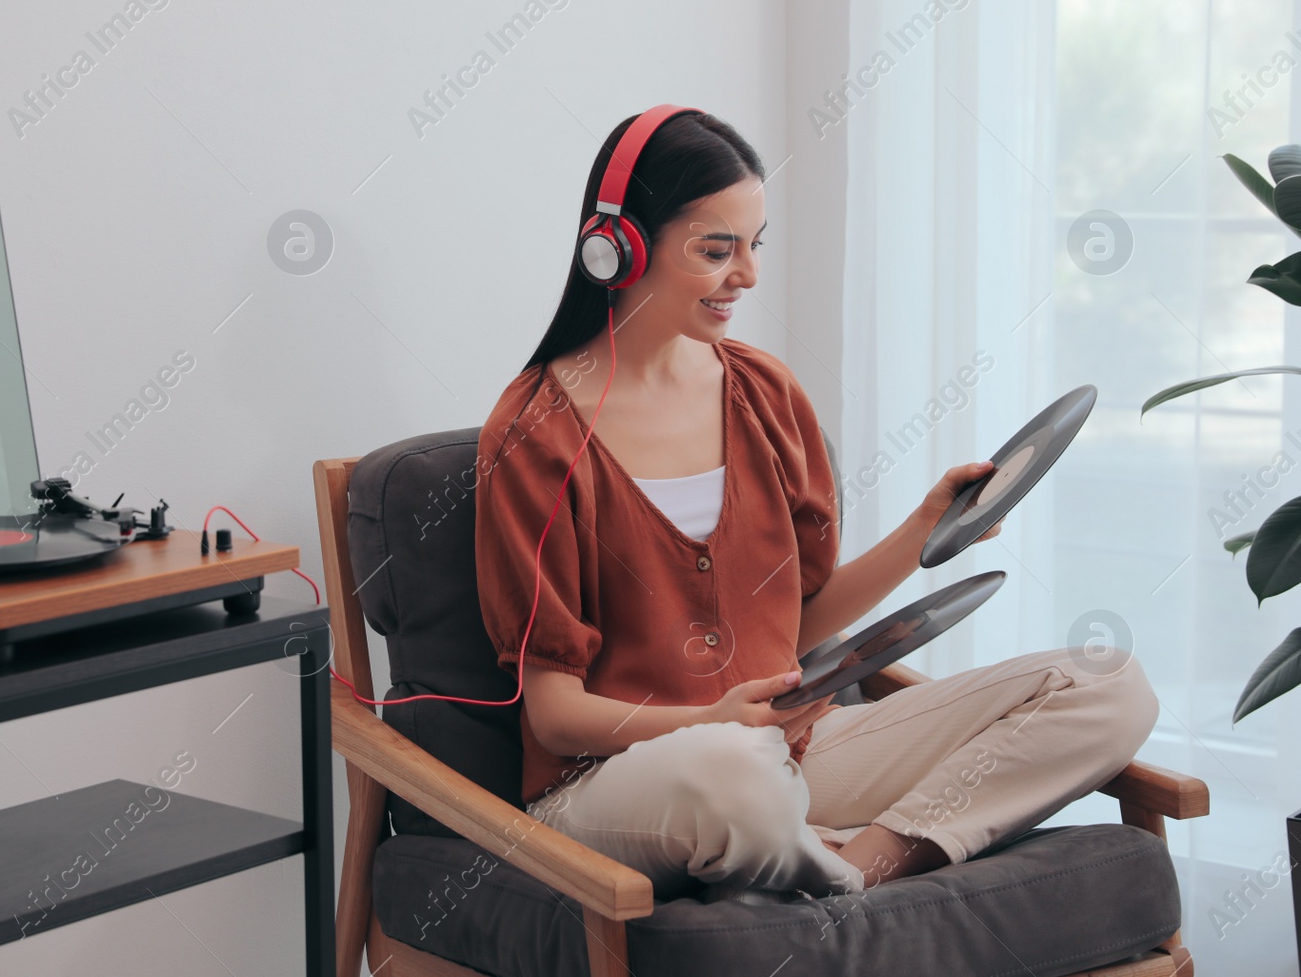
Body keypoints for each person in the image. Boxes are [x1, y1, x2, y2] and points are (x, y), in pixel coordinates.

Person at [471, 108, 1160, 903]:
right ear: (619, 246)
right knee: (729, 773)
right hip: (625, 780)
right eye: (714, 249)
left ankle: (856, 867)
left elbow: (794, 625)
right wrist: (710, 722)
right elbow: (555, 717)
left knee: (1107, 683)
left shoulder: (766, 394)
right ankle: (798, 847)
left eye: (753, 245)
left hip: (789, 749)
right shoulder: (535, 434)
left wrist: (922, 533)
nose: (748, 276)